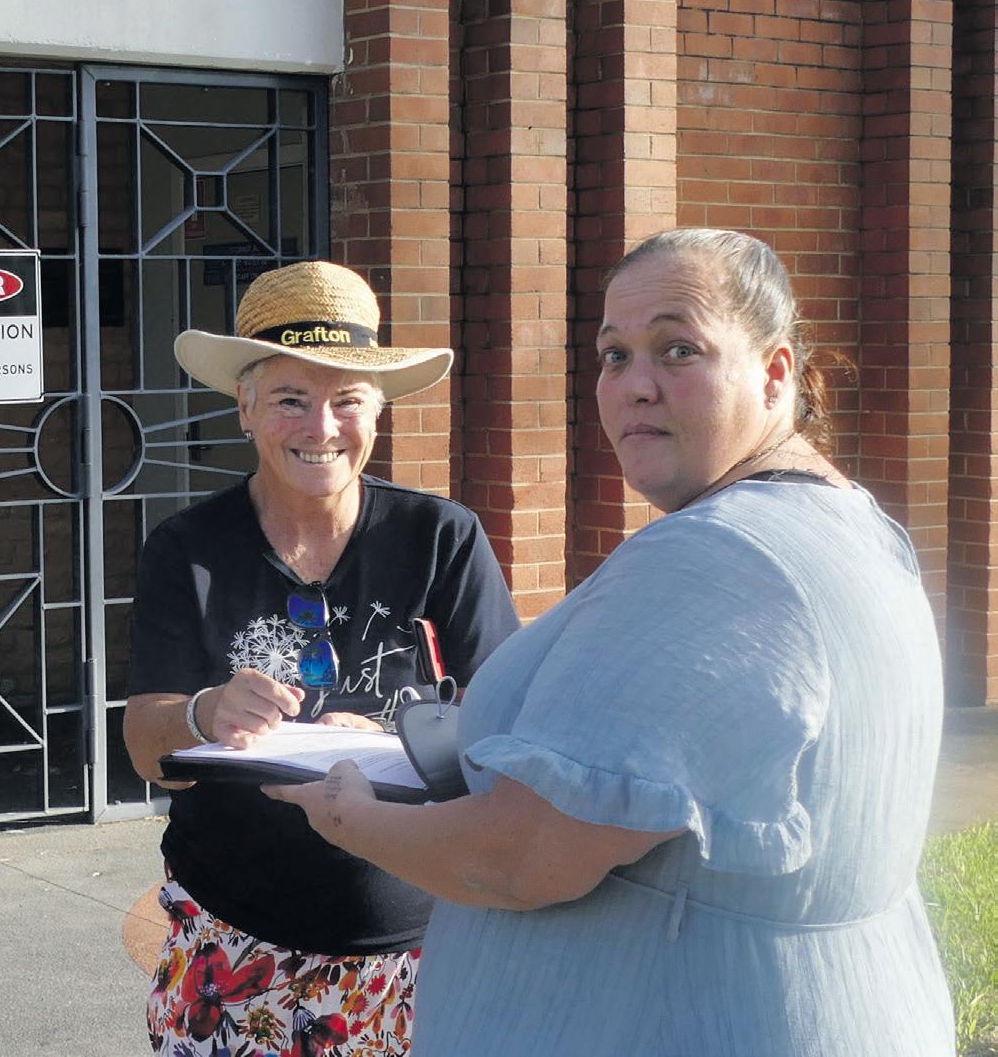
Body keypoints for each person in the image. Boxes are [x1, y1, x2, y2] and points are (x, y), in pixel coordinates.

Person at [268, 229, 956, 1056]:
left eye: (677, 349)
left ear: (774, 372)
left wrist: (347, 813)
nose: (634, 385)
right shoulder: (846, 523)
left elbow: (522, 856)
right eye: (613, 355)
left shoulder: (717, 556)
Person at [123, 260, 521, 1057]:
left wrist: (395, 743)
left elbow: (510, 726)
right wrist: (204, 711)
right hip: (235, 945)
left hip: (424, 943)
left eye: (347, 400)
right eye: (290, 400)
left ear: (377, 411)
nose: (321, 427)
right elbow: (143, 743)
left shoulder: (439, 537)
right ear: (244, 409)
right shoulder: (187, 548)